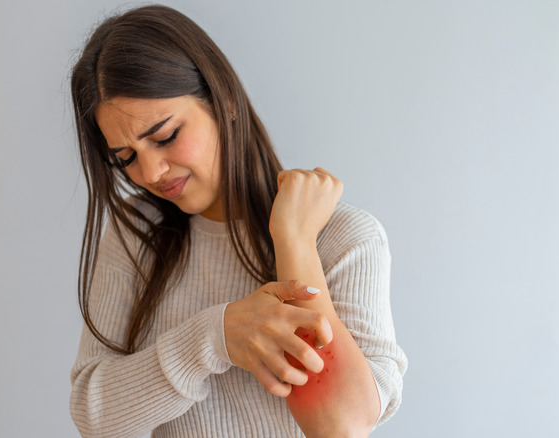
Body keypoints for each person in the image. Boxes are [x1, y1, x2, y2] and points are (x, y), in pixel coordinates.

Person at [68, 5, 407, 437]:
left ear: (224, 99)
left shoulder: (344, 238)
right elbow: (94, 417)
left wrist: (295, 239)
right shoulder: (136, 233)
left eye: (165, 136)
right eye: (127, 157)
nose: (150, 173)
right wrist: (216, 336)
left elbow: (340, 425)